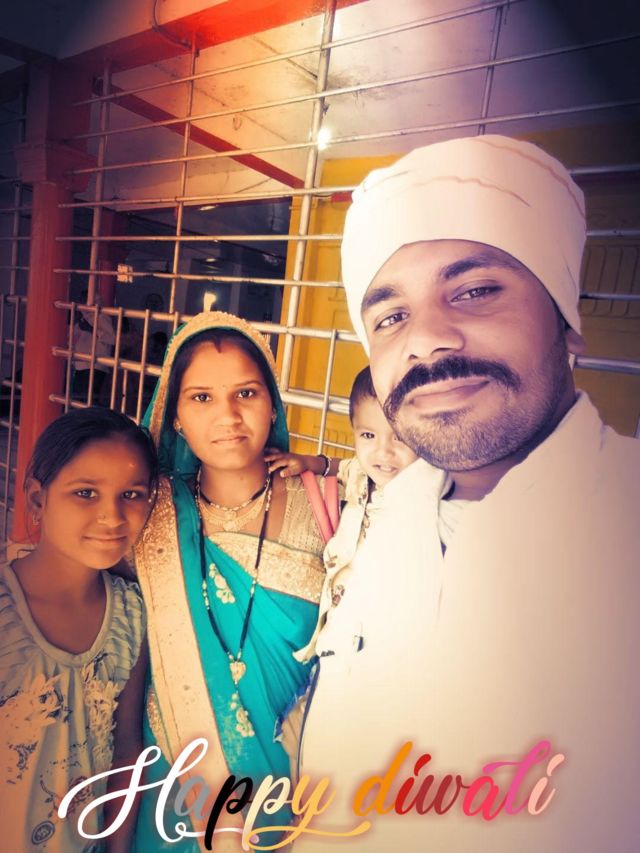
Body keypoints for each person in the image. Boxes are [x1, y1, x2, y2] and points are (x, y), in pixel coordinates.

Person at [297, 135, 640, 852]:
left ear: (567, 321)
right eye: (390, 317)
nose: (426, 339)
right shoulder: (396, 513)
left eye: (475, 290)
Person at [132, 311, 327, 852]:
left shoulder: (328, 507)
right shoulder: (149, 515)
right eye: (201, 398)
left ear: (273, 404)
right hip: (172, 785)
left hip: (290, 785)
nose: (228, 416)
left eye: (246, 393)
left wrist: (327, 464)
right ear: (174, 416)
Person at [0, 407, 158, 852]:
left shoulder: (130, 616)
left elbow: (126, 752)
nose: (111, 515)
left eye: (131, 494)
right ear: (37, 500)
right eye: (85, 493)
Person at [267, 365, 417, 661]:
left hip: (383, 631)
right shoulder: (362, 472)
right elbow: (340, 466)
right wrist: (307, 462)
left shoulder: (423, 494)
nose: (383, 452)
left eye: (399, 437)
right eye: (368, 435)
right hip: (339, 622)